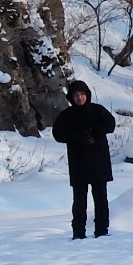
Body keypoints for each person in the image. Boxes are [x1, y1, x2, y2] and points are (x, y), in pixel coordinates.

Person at [51, 79, 116, 238]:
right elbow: (57, 134)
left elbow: (111, 124)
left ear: (88, 95)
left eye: (82, 94)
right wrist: (77, 136)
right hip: (78, 163)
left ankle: (102, 231)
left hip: (99, 162)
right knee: (79, 201)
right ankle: (78, 233)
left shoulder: (98, 110)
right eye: (76, 95)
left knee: (101, 199)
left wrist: (94, 132)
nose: (80, 98)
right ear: (71, 98)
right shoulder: (66, 115)